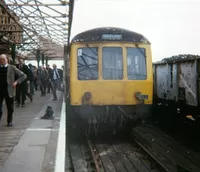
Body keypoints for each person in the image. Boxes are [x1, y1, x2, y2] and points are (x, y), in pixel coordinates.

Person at [0, 54, 27, 127]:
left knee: (10, 108)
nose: (1, 61)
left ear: (7, 60)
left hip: (9, 91)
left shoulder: (12, 68)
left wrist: (16, 82)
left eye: (3, 59)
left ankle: (9, 121)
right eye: (0, 59)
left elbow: (24, 75)